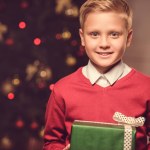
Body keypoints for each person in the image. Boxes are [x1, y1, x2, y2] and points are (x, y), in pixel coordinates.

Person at [43, 0, 150, 149]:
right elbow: (52, 142)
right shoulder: (62, 90)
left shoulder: (146, 89)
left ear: (128, 37)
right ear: (82, 37)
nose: (104, 43)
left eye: (114, 34)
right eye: (94, 34)